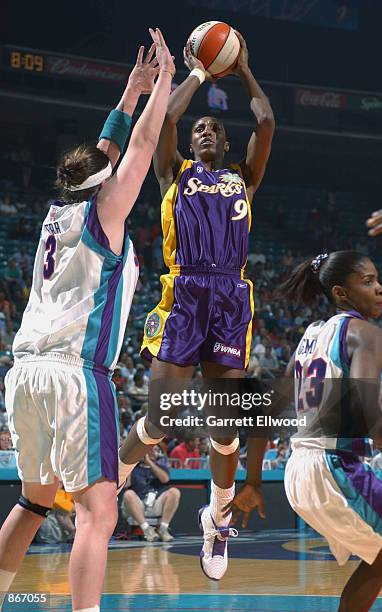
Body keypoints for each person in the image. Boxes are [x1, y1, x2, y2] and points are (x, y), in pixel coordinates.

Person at [0, 29, 174, 612]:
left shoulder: (60, 209)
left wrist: (131, 88)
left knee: (33, 500)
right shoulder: (105, 214)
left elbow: (107, 150)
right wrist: (166, 84)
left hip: (24, 371)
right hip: (76, 373)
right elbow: (142, 147)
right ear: (108, 182)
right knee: (98, 511)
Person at [118, 30, 274, 581]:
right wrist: (201, 75)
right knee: (161, 415)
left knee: (227, 425)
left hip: (230, 295)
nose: (204, 130)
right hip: (184, 291)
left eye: (213, 129)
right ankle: (112, 473)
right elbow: (163, 121)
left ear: (225, 146)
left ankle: (217, 517)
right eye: (199, 128)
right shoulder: (173, 172)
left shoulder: (243, 181)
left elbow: (266, 122)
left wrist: (245, 69)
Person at [227, 250, 382, 611]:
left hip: (298, 474)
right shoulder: (369, 334)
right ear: (340, 293)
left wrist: (254, 482)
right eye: (368, 282)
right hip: (335, 467)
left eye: (379, 280)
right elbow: (368, 406)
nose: (381, 289)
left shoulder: (311, 336)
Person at [122, 445, 180, 542]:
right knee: (128, 494)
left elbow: (165, 479)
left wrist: (149, 462)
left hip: (155, 503)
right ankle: (146, 529)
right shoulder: (134, 467)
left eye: (156, 450)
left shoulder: (160, 466)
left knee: (175, 492)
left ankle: (163, 528)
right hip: (138, 504)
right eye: (151, 450)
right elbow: (126, 485)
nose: (154, 452)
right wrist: (130, 465)